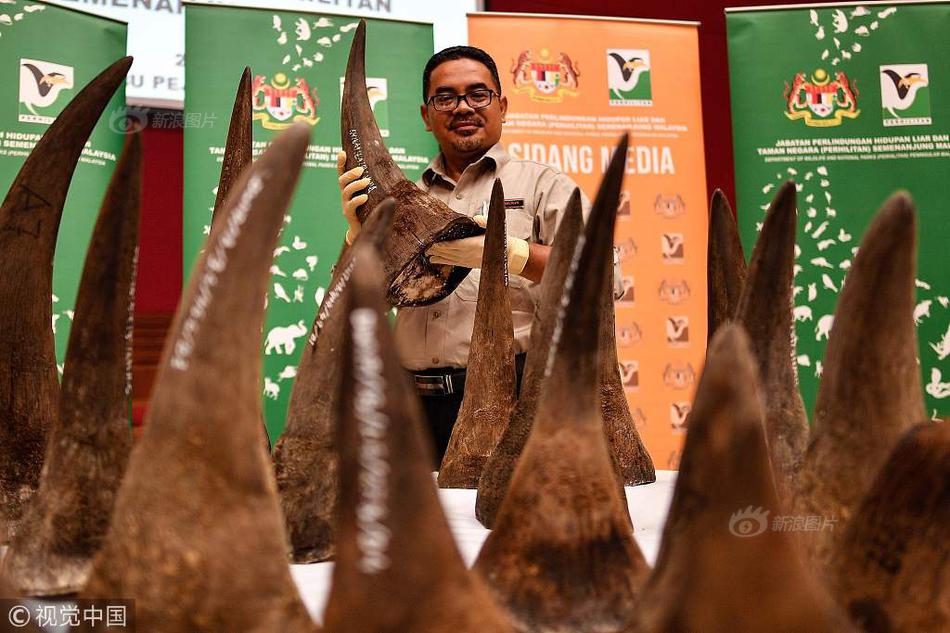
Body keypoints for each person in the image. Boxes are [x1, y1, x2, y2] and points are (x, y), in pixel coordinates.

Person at [337, 46, 590, 463]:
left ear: (502, 105)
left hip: (511, 401)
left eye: (478, 94)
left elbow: (604, 277)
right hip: (410, 410)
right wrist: (356, 239)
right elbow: (354, 308)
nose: (463, 108)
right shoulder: (400, 200)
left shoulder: (545, 186)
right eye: (446, 97)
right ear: (425, 114)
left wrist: (511, 254)